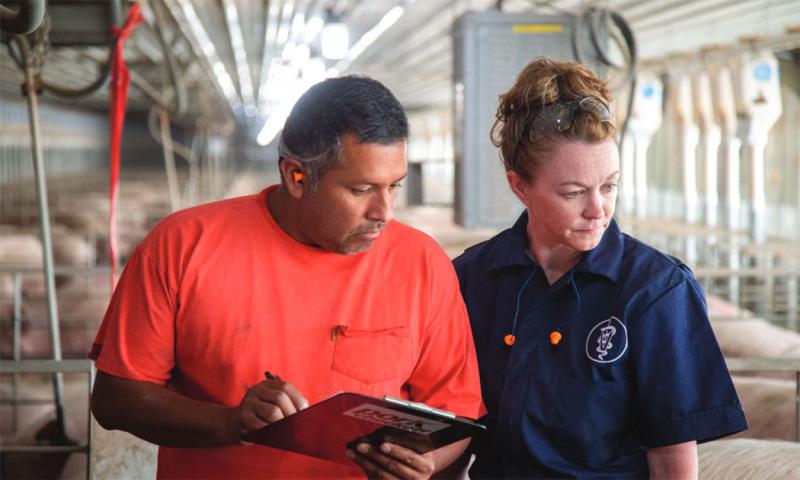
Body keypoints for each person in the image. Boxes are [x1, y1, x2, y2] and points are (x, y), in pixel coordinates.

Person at [90, 75, 484, 479]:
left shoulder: (422, 262)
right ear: (297, 176)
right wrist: (228, 422)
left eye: (394, 187)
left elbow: (456, 412)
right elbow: (115, 398)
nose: (384, 212)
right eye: (362, 189)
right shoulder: (183, 245)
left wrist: (421, 465)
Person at [453, 58, 747, 479]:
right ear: (520, 186)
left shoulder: (655, 290)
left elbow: (671, 457)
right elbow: (452, 429)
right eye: (573, 192)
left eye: (609, 186)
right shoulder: (472, 279)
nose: (598, 209)